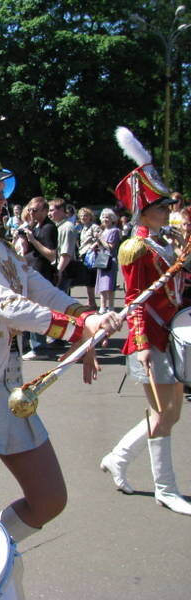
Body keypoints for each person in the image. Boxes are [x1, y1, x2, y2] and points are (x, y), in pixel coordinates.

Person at [0, 75, 121, 544]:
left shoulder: (3, 248)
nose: (1, 198)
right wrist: (74, 331)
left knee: (50, 498)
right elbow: (7, 305)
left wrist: (86, 316)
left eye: (0, 190)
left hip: (15, 393)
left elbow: (39, 288)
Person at [100, 126, 191, 515]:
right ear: (143, 210)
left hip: (169, 335)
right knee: (164, 413)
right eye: (160, 207)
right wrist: (141, 346)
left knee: (170, 411)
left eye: (168, 206)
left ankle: (118, 457)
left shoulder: (162, 242)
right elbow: (135, 300)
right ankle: (165, 488)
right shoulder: (134, 246)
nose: (168, 210)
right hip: (149, 339)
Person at [19, 196, 58, 359]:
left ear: (44, 210)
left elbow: (51, 255)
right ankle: (34, 343)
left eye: (35, 210)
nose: (31, 213)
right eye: (29, 210)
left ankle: (39, 347)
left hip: (42, 274)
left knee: (38, 310)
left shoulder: (48, 228)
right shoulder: (37, 226)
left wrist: (33, 240)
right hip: (33, 272)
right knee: (31, 308)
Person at [94, 208, 122, 313]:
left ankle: (110, 306)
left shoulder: (114, 231)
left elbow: (110, 247)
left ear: (112, 219)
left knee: (109, 285)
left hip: (110, 260)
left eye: (108, 217)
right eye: (104, 217)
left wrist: (100, 238)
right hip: (102, 258)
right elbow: (101, 245)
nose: (105, 219)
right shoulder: (104, 230)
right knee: (101, 284)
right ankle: (102, 306)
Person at [48, 198, 78, 294]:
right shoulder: (58, 226)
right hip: (57, 269)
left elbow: (66, 253)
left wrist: (58, 272)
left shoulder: (67, 227)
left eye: (52, 210)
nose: (49, 213)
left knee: (60, 302)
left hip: (63, 270)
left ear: (61, 210)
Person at [76, 207, 100, 310]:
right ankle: (90, 301)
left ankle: (92, 302)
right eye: (81, 216)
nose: (83, 218)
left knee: (90, 280)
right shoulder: (83, 228)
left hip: (91, 255)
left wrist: (93, 245)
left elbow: (100, 238)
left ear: (90, 216)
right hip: (83, 254)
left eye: (85, 215)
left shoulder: (94, 227)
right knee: (87, 280)